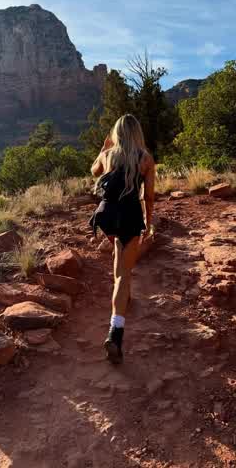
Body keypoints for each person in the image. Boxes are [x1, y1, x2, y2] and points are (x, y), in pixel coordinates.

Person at [89, 114, 155, 364]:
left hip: (105, 215)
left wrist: (102, 150)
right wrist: (148, 223)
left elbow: (93, 171)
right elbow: (149, 196)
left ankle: (125, 296)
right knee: (124, 275)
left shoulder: (108, 155)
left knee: (119, 251)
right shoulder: (145, 158)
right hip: (129, 214)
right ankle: (115, 333)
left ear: (117, 133)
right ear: (137, 133)